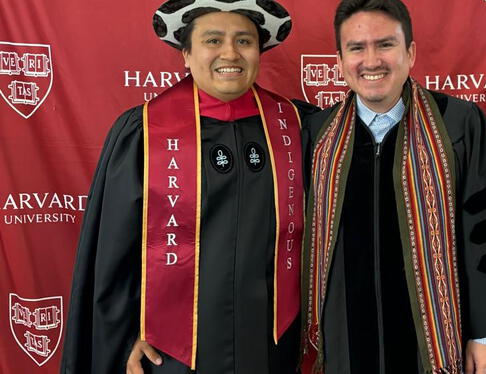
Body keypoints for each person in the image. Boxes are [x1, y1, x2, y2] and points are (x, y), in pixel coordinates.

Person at [300, 1, 486, 373]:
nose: (371, 60)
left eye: (385, 44)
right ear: (339, 61)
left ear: (410, 52)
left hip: (431, 341)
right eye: (357, 48)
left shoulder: (458, 125)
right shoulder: (317, 135)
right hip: (343, 341)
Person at [60, 1, 317, 373]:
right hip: (173, 352)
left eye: (244, 41)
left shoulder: (296, 127)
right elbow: (115, 249)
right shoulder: (143, 133)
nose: (230, 53)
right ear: (186, 53)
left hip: (274, 345)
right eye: (213, 40)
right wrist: (126, 334)